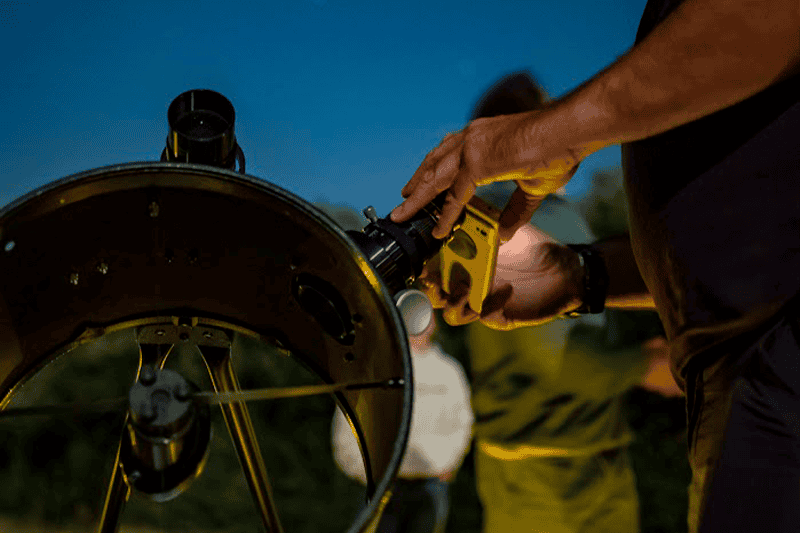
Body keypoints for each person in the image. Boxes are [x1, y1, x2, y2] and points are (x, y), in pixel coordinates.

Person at [390, 0, 799, 531]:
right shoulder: (541, 227)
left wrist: (552, 133)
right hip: (742, 393)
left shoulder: (535, 218)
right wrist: (580, 275)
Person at [457, 72, 680, 533]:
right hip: (569, 479)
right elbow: (562, 366)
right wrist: (646, 363)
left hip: (509, 469)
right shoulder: (547, 219)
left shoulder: (477, 226)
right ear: (532, 131)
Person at [331, 318, 473, 533]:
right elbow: (348, 425)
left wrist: (448, 463)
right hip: (381, 488)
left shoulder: (449, 372)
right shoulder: (374, 370)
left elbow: (462, 423)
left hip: (430, 485)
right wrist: (364, 471)